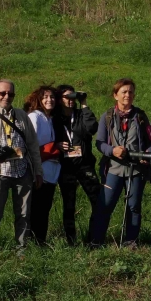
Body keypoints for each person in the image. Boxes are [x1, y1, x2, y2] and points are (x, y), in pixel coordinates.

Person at [0, 80, 43, 262]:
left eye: (10, 94)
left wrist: (37, 171)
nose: (7, 97)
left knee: (23, 213)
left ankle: (21, 248)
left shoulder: (21, 116)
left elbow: (32, 146)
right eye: (3, 93)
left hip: (22, 171)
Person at [93, 78, 151, 248]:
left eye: (131, 92)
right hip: (113, 169)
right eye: (124, 92)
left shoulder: (140, 116)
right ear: (115, 95)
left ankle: (130, 241)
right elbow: (99, 143)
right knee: (105, 205)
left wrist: (146, 155)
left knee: (134, 206)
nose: (128, 95)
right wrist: (112, 151)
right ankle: (96, 241)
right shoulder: (107, 117)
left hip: (136, 170)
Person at [54, 85, 101, 245]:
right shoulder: (55, 119)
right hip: (66, 166)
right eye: (67, 97)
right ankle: (71, 241)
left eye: (72, 97)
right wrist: (57, 145)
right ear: (60, 99)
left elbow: (92, 128)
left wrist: (84, 103)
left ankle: (94, 237)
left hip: (85, 165)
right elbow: (48, 137)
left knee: (98, 200)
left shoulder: (81, 114)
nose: (70, 100)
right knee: (69, 205)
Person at [23, 85, 61, 245]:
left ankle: (40, 242)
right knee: (35, 210)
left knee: (44, 210)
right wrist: (54, 148)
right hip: (38, 172)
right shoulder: (35, 117)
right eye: (45, 97)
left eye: (52, 97)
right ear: (39, 99)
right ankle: (31, 243)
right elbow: (30, 146)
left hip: (50, 173)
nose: (49, 100)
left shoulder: (51, 119)